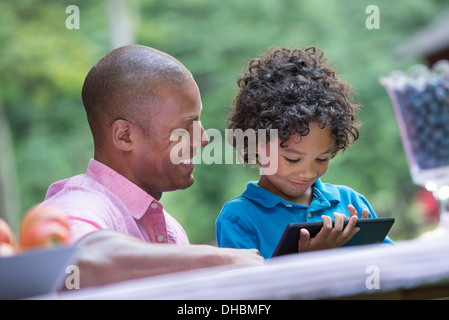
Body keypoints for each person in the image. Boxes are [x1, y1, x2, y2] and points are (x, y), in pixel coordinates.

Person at [41, 44, 263, 288]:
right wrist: (218, 259)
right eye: (186, 126)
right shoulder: (78, 203)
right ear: (125, 136)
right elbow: (80, 259)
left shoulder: (170, 230)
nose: (203, 138)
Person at [216, 46, 393, 259]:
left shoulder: (350, 201)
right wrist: (309, 259)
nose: (308, 173)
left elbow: (394, 270)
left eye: (322, 158)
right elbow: (247, 290)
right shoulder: (239, 218)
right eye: (292, 158)